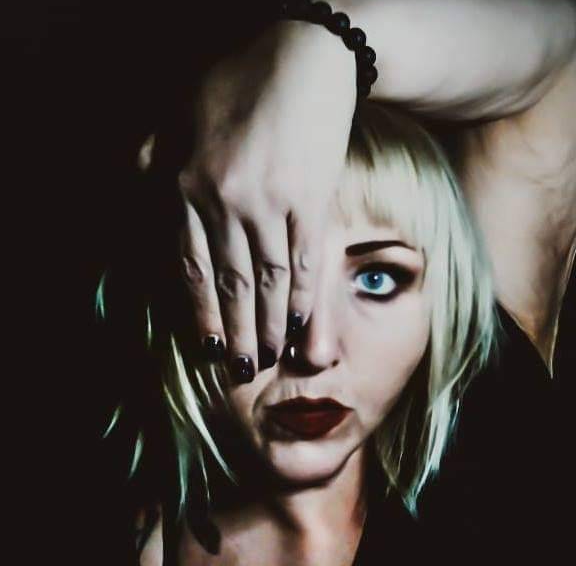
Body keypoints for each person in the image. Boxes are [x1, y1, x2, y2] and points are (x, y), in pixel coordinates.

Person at [99, 101, 496, 564]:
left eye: (377, 279)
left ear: (444, 297)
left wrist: (323, 60)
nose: (316, 349)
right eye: (261, 273)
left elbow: (554, 75)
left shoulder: (505, 496)